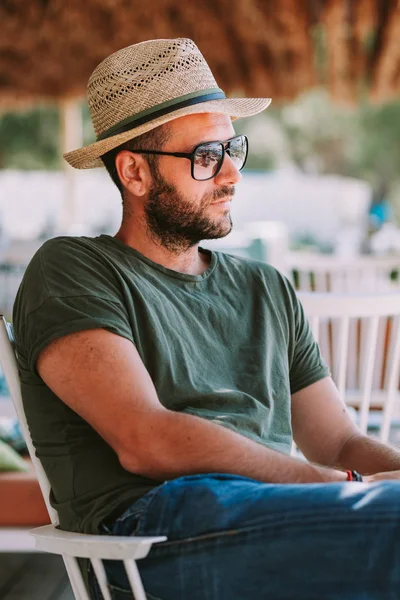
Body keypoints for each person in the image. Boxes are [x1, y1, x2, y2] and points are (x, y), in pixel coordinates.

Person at [13, 38, 400, 600]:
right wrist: (341, 488)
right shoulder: (74, 268)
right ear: (134, 173)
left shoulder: (264, 287)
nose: (231, 175)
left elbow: (337, 441)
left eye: (232, 149)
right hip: (156, 534)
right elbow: (147, 441)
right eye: (204, 156)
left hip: (281, 516)